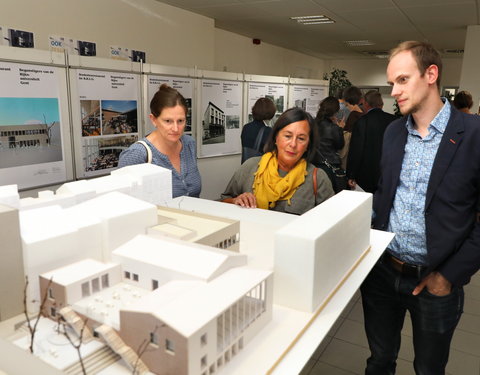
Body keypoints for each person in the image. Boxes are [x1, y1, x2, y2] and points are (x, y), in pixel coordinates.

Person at [362, 40, 480, 375]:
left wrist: (448, 277)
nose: (394, 92)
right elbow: (386, 195)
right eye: (391, 84)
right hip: (384, 271)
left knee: (429, 368)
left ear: (431, 74)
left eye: (402, 80)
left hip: (436, 280)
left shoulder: (473, 135)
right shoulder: (393, 132)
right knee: (379, 360)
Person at [221, 107, 334, 215]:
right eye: (288, 136)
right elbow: (223, 201)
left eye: (301, 138)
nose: (293, 144)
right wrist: (235, 201)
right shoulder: (250, 167)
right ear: (276, 137)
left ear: (308, 145)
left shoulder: (318, 179)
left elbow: (331, 222)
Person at [118, 84, 201, 198]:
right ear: (153, 120)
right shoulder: (137, 155)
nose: (176, 128)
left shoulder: (189, 144)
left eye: (180, 121)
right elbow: (124, 203)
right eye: (168, 121)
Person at [346, 90, 396, 193]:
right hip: (388, 173)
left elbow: (356, 150)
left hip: (365, 175)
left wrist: (351, 174)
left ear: (366, 104)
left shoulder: (361, 122)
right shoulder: (394, 121)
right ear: (381, 105)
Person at [312, 96, 346, 193]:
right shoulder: (334, 128)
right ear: (335, 112)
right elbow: (340, 145)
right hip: (329, 167)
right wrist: (340, 128)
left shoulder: (312, 124)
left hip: (312, 165)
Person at [241, 97, 276, 163]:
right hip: (259, 169)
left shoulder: (246, 127)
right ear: (269, 113)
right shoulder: (268, 131)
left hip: (246, 166)